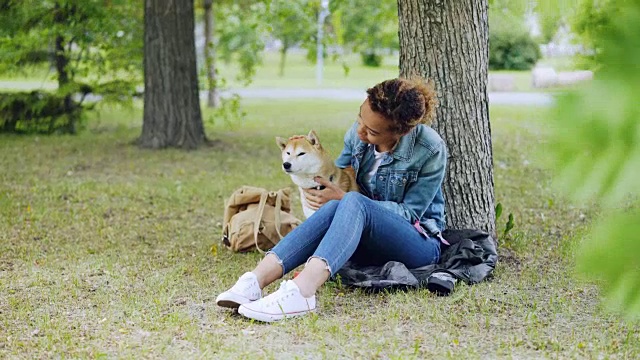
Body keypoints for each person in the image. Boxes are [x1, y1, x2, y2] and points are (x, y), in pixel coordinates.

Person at [216, 77, 448, 322]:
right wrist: (321, 187)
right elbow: (336, 172)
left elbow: (410, 214)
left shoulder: (430, 148)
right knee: (343, 203)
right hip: (364, 234)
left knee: (350, 201)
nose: (360, 132)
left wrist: (345, 197)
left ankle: (303, 291)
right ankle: (255, 280)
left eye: (371, 132)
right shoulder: (358, 134)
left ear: (401, 132)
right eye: (360, 118)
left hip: (419, 243)